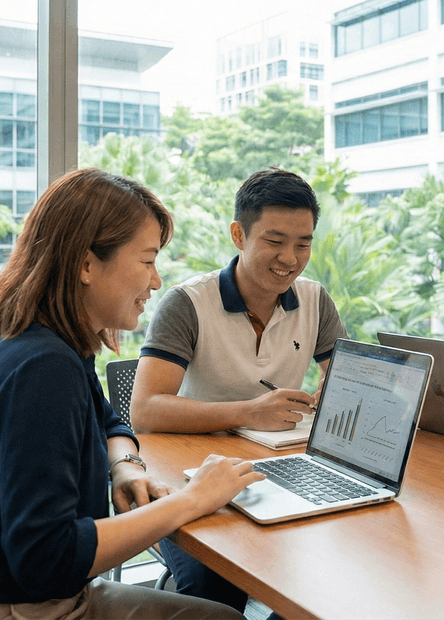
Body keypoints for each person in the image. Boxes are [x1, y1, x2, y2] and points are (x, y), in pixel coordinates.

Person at [0, 168, 264, 619]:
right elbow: (49, 560)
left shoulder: (46, 342)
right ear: (86, 264)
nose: (156, 281)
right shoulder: (43, 370)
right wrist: (192, 500)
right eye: (146, 261)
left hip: (13, 592)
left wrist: (125, 467)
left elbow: (108, 420)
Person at [131, 167, 347, 606]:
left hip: (279, 470)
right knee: (215, 590)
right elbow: (146, 410)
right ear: (238, 234)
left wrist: (337, 394)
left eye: (303, 243)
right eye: (274, 241)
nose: (290, 257)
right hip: (188, 479)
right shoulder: (188, 303)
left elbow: (342, 378)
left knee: (336, 574)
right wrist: (248, 411)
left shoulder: (315, 299)